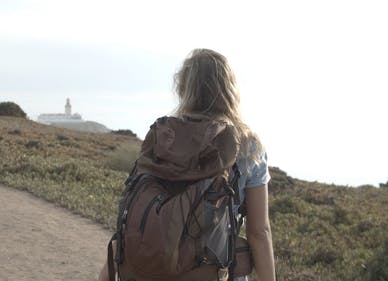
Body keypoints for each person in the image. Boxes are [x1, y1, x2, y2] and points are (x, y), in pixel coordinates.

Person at [99, 49, 275, 281]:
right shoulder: (247, 145)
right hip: (214, 271)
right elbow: (258, 232)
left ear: (183, 88)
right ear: (230, 89)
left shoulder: (165, 136)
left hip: (153, 266)